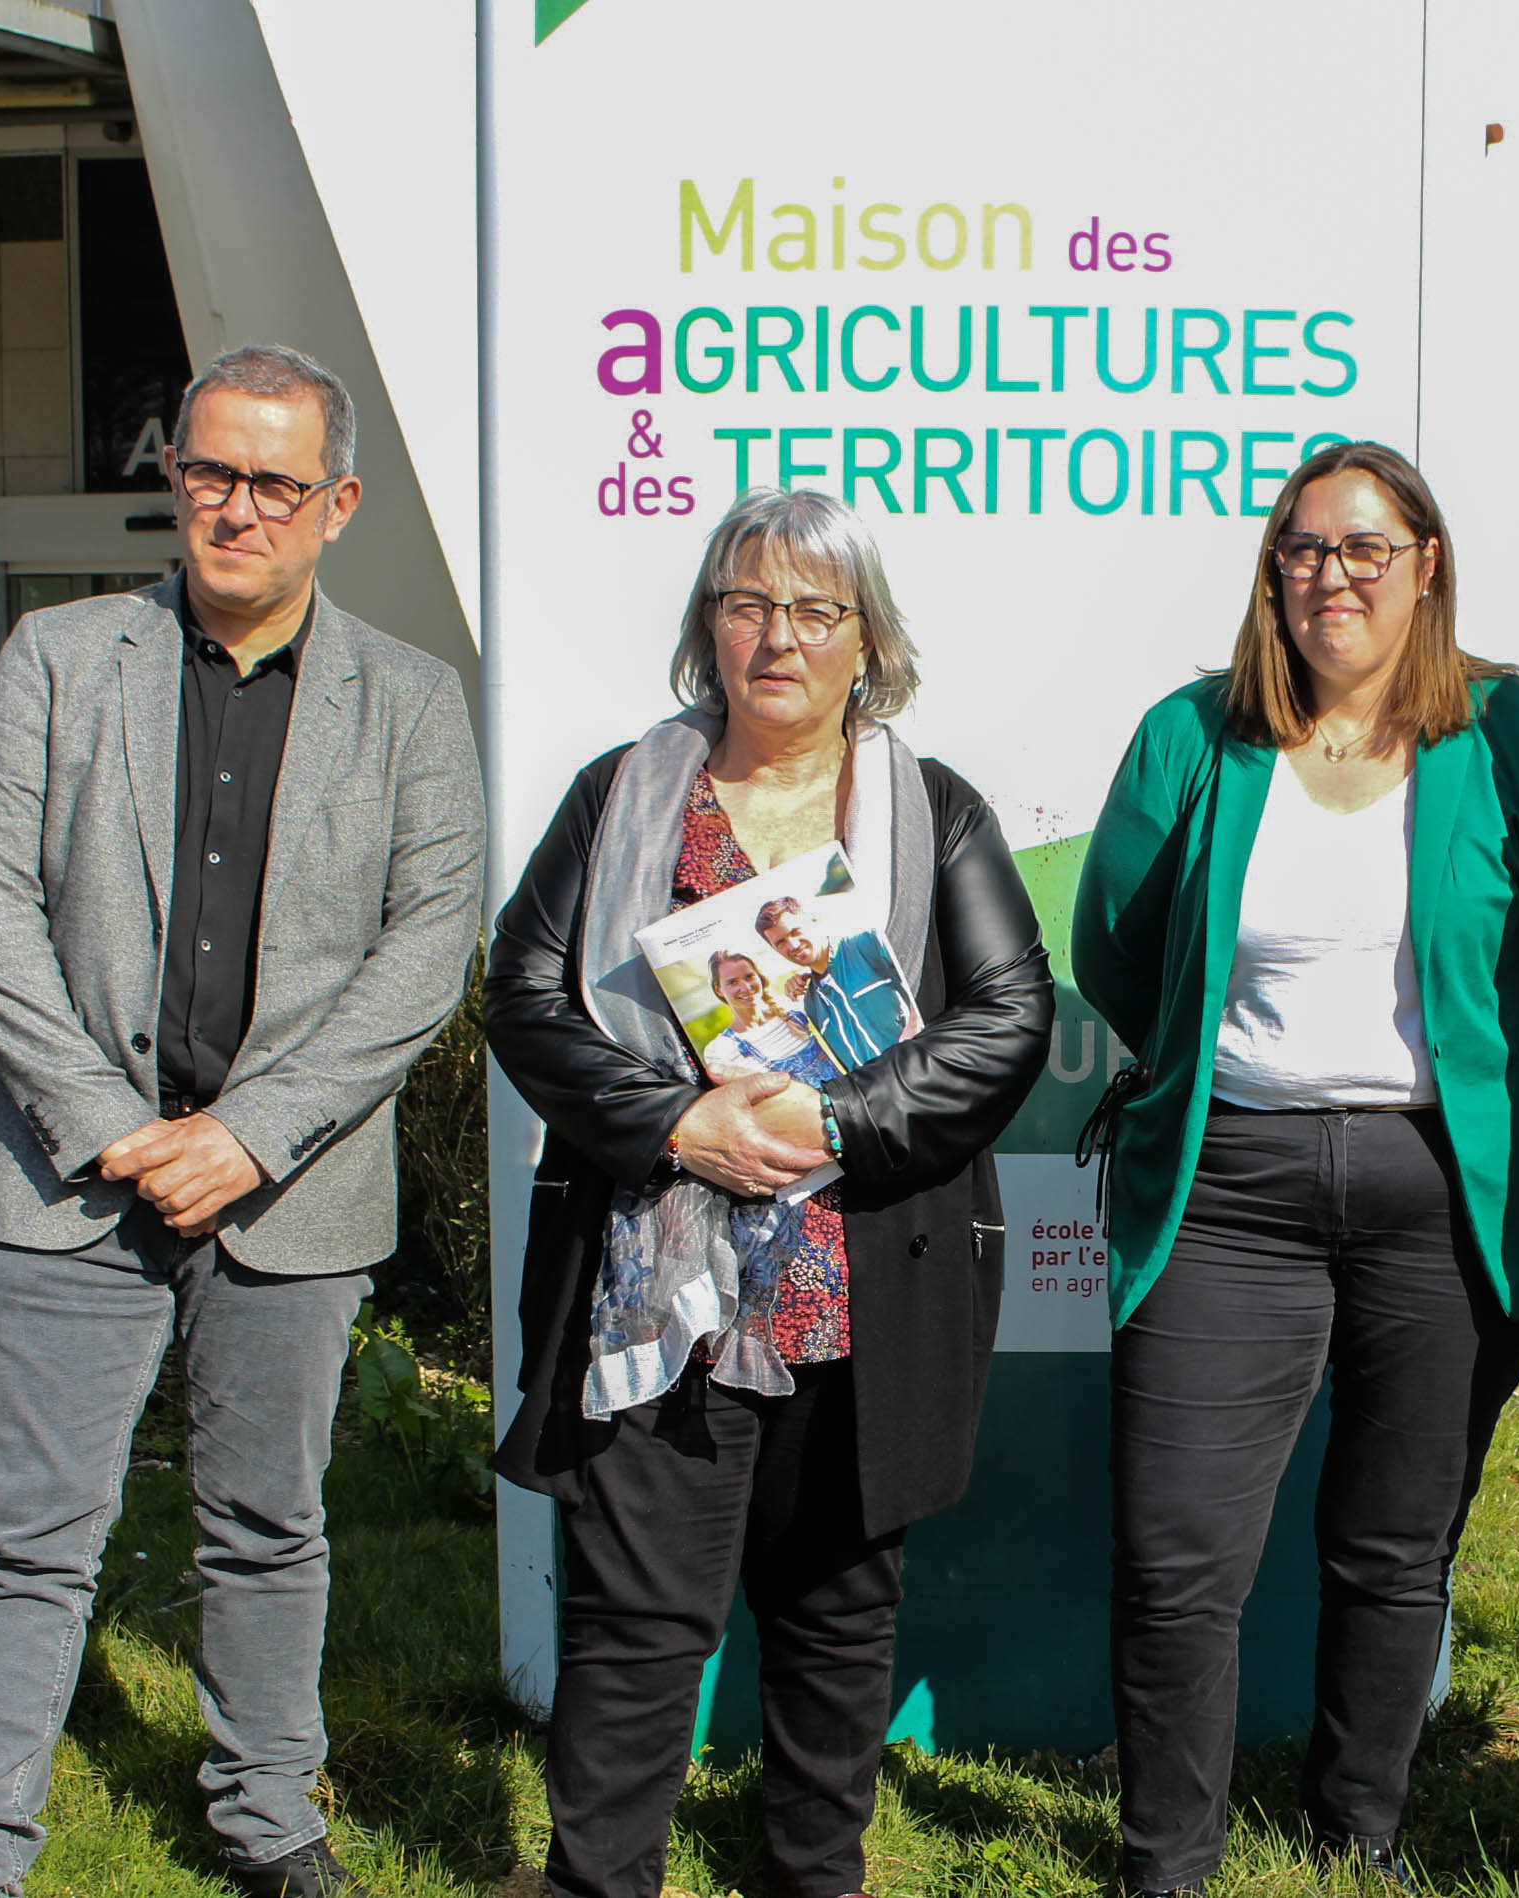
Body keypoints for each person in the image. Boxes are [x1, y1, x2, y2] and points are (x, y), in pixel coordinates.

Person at [0, 344, 486, 1898]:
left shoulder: (413, 703)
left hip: (285, 1193)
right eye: (208, 471)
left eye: (272, 482)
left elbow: (425, 949)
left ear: (336, 502)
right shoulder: (58, 658)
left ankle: (264, 1816)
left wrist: (251, 1133)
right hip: (67, 1183)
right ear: (173, 477)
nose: (235, 507)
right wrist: (112, 1124)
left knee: (268, 1523)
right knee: (32, 1535)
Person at [487, 485, 1052, 1898]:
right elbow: (523, 994)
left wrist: (829, 1120)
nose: (778, 636)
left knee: (837, 1616)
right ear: (707, 627)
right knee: (631, 1628)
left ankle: (814, 1876)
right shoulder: (624, 792)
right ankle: (598, 1881)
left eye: (814, 608)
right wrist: (678, 1124)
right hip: (655, 1286)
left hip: (860, 1281)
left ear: (867, 640)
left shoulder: (933, 811)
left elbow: (1006, 1019)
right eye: (747, 602)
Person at [1074, 440, 1519, 1896]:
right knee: (1177, 1553)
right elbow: (1116, 943)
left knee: (1391, 1539)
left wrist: (1487, 1084)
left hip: (1440, 1184)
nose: (1332, 576)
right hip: (1228, 1182)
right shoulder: (1195, 733)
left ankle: (1352, 1834)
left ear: (1425, 564)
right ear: (1273, 573)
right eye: (1304, 549)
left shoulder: (1516, 732)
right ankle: (1164, 1860)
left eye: (1366, 548)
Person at [760, 892, 915, 1066]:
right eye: (780, 942)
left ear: (813, 920)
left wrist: (915, 1030)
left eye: (796, 932)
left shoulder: (869, 944)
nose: (793, 945)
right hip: (886, 1087)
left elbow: (924, 978)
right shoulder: (811, 1002)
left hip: (923, 1060)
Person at [707, 946, 838, 1083]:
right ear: (718, 989)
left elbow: (834, 985)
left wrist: (808, 973)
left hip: (847, 1099)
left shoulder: (793, 1006)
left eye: (749, 976)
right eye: (733, 982)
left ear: (759, 976)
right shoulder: (721, 1050)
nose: (746, 987)